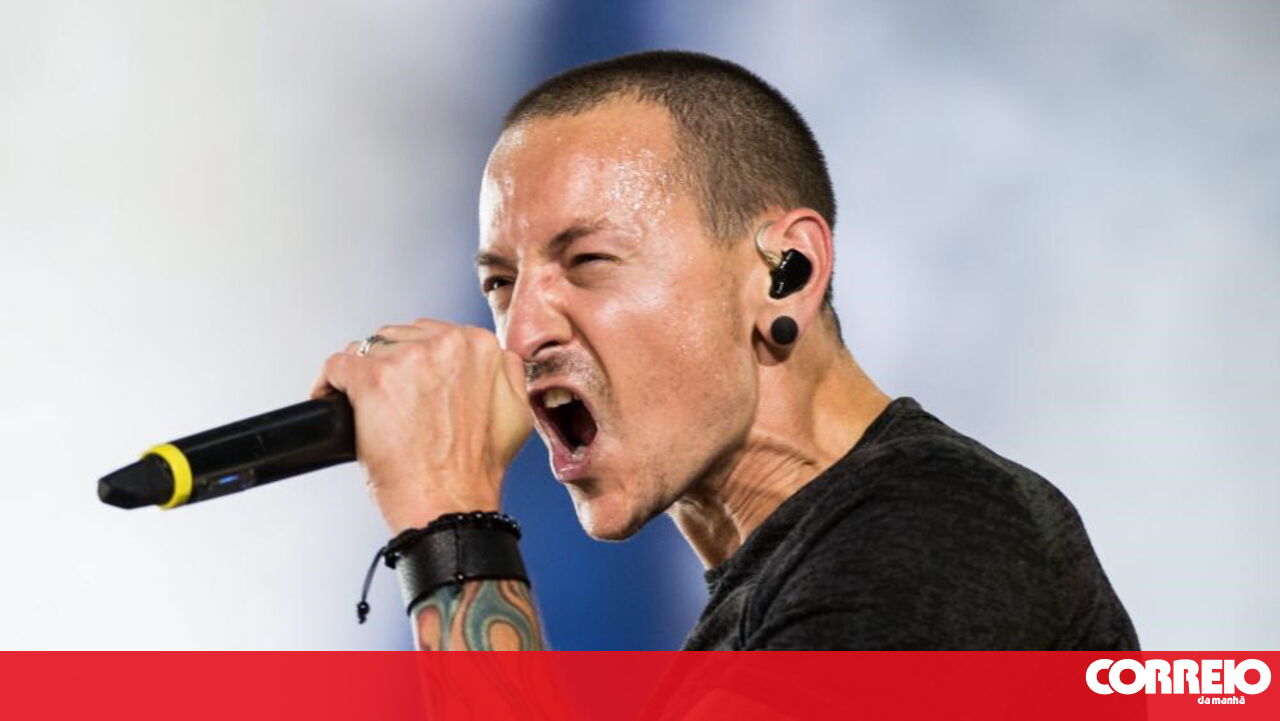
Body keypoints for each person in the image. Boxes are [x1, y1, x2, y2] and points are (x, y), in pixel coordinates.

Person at [312, 50, 1139, 651]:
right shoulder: (783, 589)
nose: (522, 332)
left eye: (587, 261)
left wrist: (450, 521)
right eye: (500, 283)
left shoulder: (936, 531)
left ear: (787, 272)